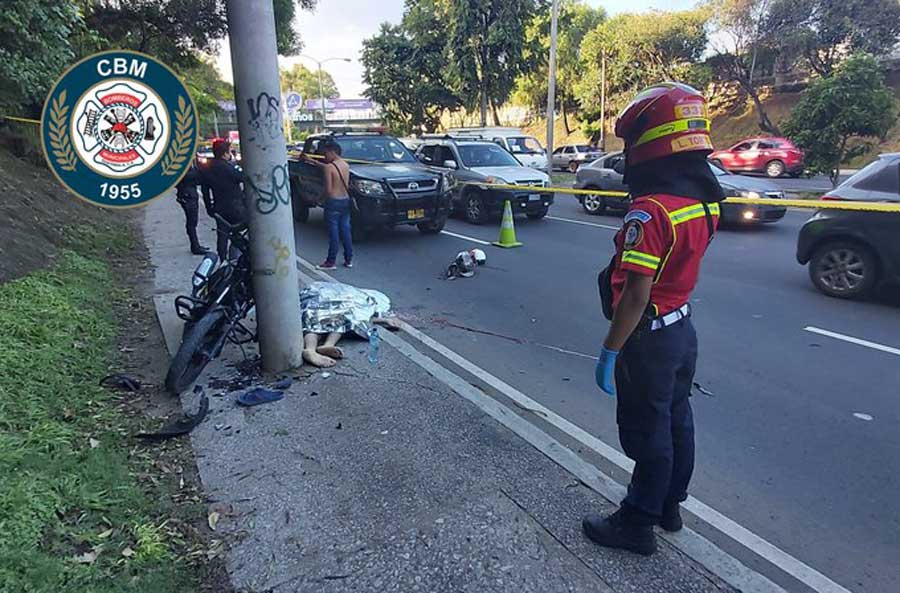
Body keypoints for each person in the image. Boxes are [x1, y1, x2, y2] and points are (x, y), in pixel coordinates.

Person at [583, 83, 725, 556]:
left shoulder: (651, 211)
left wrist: (611, 349)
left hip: (650, 337)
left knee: (649, 429)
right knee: (677, 419)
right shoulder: (705, 200)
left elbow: (637, 293)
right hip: (684, 331)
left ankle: (637, 523)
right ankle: (669, 506)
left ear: (649, 144)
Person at [304, 139, 353, 270]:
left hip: (333, 202)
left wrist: (319, 199)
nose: (324, 156)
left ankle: (330, 262)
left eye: (325, 153)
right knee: (346, 230)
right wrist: (312, 161)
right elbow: (328, 168)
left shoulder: (328, 168)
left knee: (334, 233)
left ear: (332, 152)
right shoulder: (345, 165)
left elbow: (329, 190)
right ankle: (348, 259)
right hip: (345, 200)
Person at [200, 138, 246, 261]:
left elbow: (205, 191)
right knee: (240, 231)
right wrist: (235, 163)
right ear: (225, 153)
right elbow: (242, 178)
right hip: (236, 207)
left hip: (219, 207)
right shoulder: (229, 168)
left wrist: (209, 208)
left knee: (222, 235)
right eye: (230, 151)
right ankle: (234, 257)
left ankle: (222, 259)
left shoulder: (207, 169)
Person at [175, 161, 208, 255]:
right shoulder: (182, 165)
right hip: (187, 194)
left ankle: (195, 245)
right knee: (192, 221)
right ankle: (195, 246)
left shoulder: (190, 164)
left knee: (193, 221)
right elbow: (190, 177)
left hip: (189, 193)